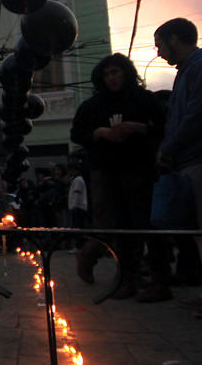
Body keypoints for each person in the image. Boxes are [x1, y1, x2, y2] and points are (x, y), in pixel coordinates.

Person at [71, 53, 171, 302]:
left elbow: (165, 127)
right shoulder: (94, 105)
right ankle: (127, 279)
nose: (111, 78)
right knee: (121, 229)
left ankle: (160, 280)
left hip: (141, 171)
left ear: (126, 72)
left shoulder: (143, 99)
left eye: (115, 72)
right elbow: (77, 133)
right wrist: (100, 133)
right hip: (109, 172)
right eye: (106, 74)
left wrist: (139, 128)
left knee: (147, 227)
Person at [154, 18, 202, 319]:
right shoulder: (192, 70)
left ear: (175, 39)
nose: (160, 52)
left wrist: (170, 147)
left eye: (161, 45)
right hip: (192, 160)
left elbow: (199, 115)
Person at [67, 162, 88, 251]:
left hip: (78, 207)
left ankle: (80, 246)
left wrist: (74, 205)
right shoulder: (78, 180)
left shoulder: (78, 180)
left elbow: (77, 193)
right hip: (79, 207)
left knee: (78, 227)